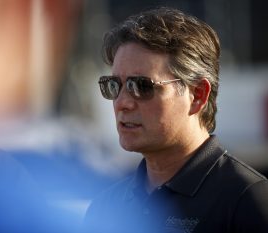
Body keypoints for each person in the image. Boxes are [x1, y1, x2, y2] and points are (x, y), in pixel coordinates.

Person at [83, 7, 268, 233]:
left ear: (198, 95)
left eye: (141, 86)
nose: (122, 103)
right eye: (113, 85)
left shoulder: (247, 199)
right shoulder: (105, 207)